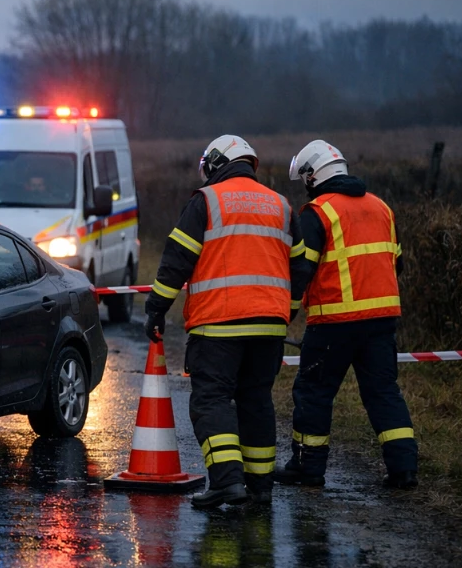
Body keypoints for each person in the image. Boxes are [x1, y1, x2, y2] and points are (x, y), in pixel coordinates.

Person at [144, 135, 303, 508]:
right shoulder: (281, 205)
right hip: (269, 326)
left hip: (218, 325)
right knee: (256, 402)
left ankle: (227, 481)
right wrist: (287, 310)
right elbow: (300, 267)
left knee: (211, 400)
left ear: (215, 163)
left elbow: (176, 261)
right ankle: (260, 487)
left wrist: (156, 308)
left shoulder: (207, 201)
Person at [278, 140, 417, 489]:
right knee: (383, 392)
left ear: (313, 175)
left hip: (333, 323)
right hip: (382, 321)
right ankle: (404, 470)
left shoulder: (318, 212)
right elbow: (394, 262)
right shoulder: (381, 207)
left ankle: (307, 469)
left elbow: (301, 273)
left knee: (314, 392)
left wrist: (284, 315)